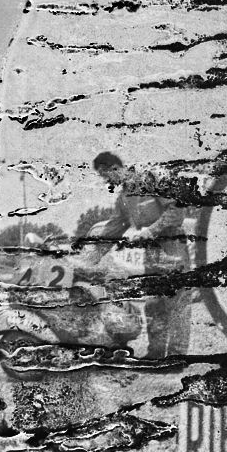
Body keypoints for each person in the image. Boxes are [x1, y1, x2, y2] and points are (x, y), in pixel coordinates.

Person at [86, 152, 191, 357]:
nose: (107, 182)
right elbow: (113, 229)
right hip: (151, 253)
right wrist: (91, 256)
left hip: (172, 246)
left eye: (106, 176)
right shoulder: (124, 198)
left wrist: (151, 230)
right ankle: (155, 354)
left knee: (177, 303)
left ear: (115, 169)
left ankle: (177, 357)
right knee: (154, 305)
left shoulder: (151, 180)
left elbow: (177, 210)